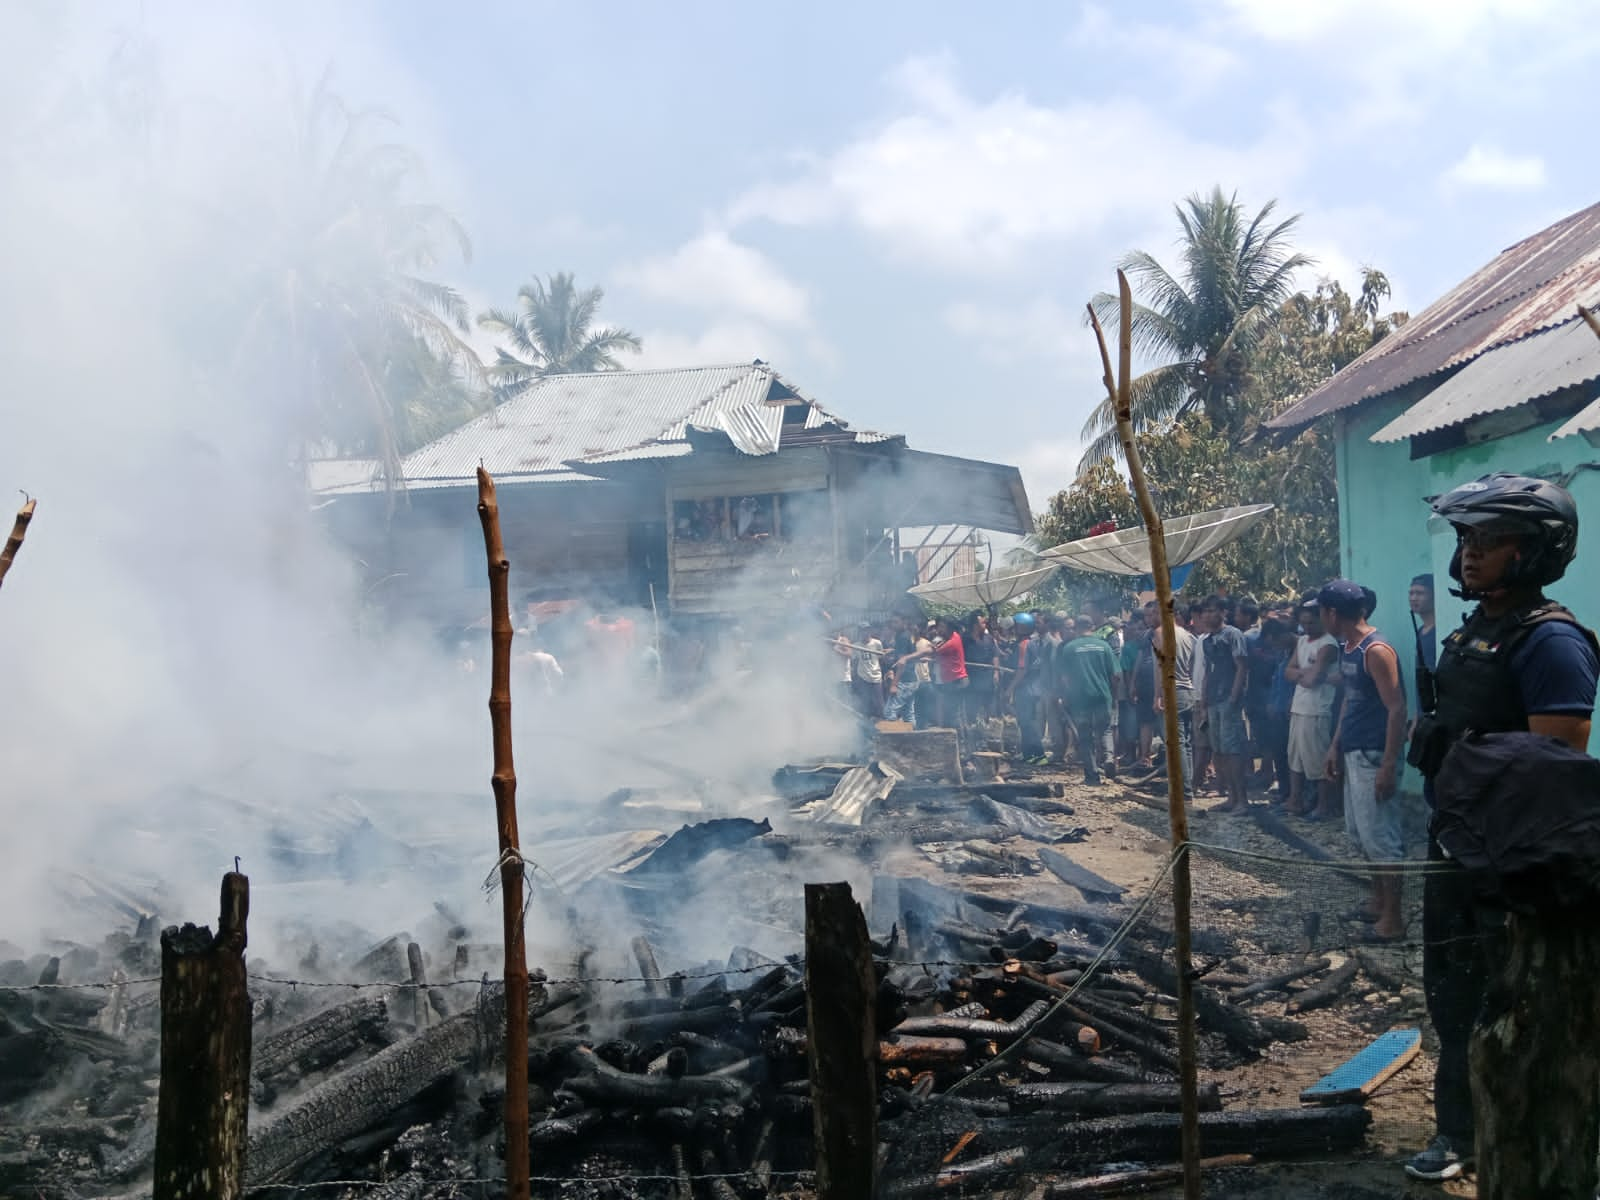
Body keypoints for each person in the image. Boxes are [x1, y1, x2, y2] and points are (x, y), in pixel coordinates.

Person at [1403, 474, 1597, 1184]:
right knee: (1451, 995)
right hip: (1454, 848)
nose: (1471, 553)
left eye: (1488, 539)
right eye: (1465, 539)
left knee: (1506, 999)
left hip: (1509, 867)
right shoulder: (1474, 630)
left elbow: (1554, 771)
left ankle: (1514, 1140)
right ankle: (1458, 1130)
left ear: (1536, 549)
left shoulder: (1551, 642)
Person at [1320, 580, 1408, 941]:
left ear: (1332, 613)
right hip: (1353, 749)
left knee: (1382, 838)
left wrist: (1388, 764)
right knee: (1361, 834)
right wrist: (1334, 745)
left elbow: (1397, 708)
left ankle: (1394, 920)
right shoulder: (1347, 647)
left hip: (1374, 754)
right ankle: (1376, 901)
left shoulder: (1376, 650)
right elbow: (1350, 701)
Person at [1284, 594, 1340, 820]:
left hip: (1318, 709)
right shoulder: (1301, 641)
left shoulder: (1328, 644)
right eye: (1303, 623)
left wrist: (1303, 674)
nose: (1307, 627)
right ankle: (1295, 801)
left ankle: (1324, 806)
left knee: (1318, 761)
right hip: (1299, 707)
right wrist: (1303, 674)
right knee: (1295, 757)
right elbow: (1288, 672)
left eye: (1311, 622)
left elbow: (1312, 679)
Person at [1057, 615, 1122, 785]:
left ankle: (1092, 776)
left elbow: (1065, 679)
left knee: (1085, 737)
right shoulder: (1104, 646)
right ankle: (1108, 757)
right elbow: (1116, 675)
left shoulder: (1069, 648)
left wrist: (1065, 696)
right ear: (1092, 626)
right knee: (1106, 729)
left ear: (1076, 627)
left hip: (1081, 699)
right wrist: (1114, 696)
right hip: (1102, 696)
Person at [1199, 595, 1250, 813]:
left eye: (1213, 610)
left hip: (1228, 700)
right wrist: (1203, 700)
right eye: (1206, 611)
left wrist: (1233, 697)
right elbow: (1208, 672)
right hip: (1212, 700)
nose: (1209, 615)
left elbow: (1241, 667)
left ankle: (1242, 800)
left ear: (1223, 612)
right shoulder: (1207, 640)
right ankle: (1230, 797)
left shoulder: (1233, 635)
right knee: (1219, 751)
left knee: (1233, 750)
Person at [851, 622, 885, 718]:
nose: (865, 633)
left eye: (867, 630)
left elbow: (880, 658)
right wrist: (854, 676)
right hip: (863, 676)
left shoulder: (877, 643)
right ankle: (866, 721)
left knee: (879, 701)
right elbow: (854, 661)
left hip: (876, 675)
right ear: (860, 632)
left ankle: (883, 720)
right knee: (865, 701)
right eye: (863, 631)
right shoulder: (855, 645)